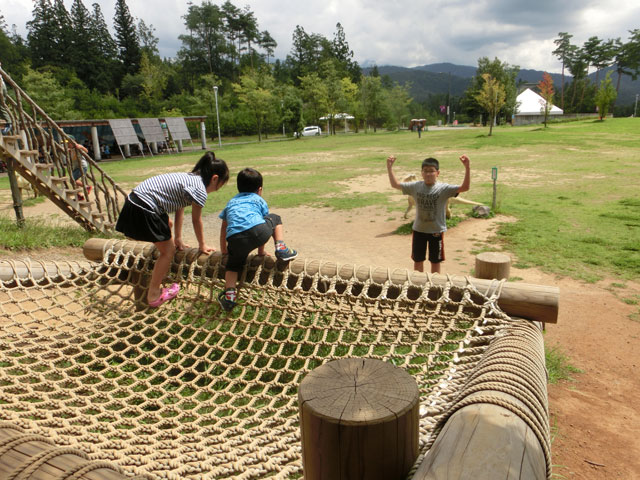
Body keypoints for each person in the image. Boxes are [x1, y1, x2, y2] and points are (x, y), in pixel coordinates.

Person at [115, 151, 229, 307]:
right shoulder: (200, 189)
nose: (217, 189)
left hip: (134, 201)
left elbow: (179, 209)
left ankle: (162, 268)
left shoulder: (189, 179)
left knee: (167, 224)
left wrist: (178, 238)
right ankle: (154, 295)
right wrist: (202, 244)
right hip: (145, 208)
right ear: (215, 178)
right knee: (168, 251)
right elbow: (196, 220)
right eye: (220, 185)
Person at [218, 168, 298, 312]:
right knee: (275, 218)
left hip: (235, 239)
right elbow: (261, 223)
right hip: (258, 231)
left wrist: (224, 250)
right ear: (259, 189)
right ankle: (281, 247)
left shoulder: (231, 203)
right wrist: (261, 251)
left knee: (232, 267)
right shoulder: (258, 200)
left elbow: (224, 227)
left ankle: (229, 297)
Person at [387, 154, 470, 274]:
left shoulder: (444, 188)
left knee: (435, 261)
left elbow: (465, 187)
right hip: (419, 230)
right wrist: (389, 168)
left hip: (436, 231)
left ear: (438, 173)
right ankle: (418, 286)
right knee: (418, 260)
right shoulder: (415, 186)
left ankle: (434, 287)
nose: (428, 174)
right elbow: (395, 185)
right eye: (425, 171)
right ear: (421, 173)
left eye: (431, 171)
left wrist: (467, 167)